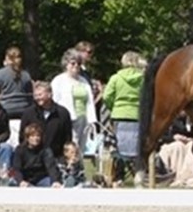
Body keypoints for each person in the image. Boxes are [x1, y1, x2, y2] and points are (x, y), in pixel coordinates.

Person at [102, 51, 147, 186]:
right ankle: (137, 174)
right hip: (136, 115)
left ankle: (118, 177)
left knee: (118, 147)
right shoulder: (143, 79)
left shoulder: (116, 78)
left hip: (119, 115)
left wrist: (113, 106)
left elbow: (106, 96)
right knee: (136, 147)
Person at [51, 49, 97, 159]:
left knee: (81, 147)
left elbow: (89, 101)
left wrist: (92, 120)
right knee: (71, 146)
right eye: (73, 63)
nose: (76, 66)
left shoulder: (83, 81)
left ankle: (78, 167)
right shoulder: (58, 80)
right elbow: (54, 101)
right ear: (66, 64)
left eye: (79, 64)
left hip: (83, 119)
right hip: (67, 119)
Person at [21, 80, 72, 159]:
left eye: (40, 95)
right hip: (34, 158)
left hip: (56, 157)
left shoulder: (62, 113)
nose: (37, 98)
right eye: (35, 95)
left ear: (49, 94)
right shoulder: (28, 113)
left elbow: (67, 137)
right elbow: (22, 137)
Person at [10, 122, 63, 188]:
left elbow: (51, 167)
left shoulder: (45, 150)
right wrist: (20, 181)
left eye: (38, 136)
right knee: (12, 183)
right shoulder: (20, 150)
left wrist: (55, 181)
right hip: (25, 178)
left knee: (52, 184)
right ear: (27, 138)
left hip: (41, 178)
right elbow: (17, 168)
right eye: (32, 136)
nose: (36, 138)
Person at [0, 47, 33, 118]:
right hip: (24, 109)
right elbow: (30, 94)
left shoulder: (0, 73)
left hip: (6, 109)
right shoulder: (26, 74)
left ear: (7, 58)